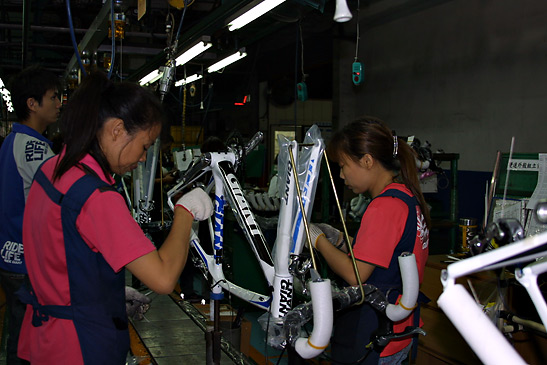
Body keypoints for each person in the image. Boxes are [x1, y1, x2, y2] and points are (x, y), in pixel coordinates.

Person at [17, 71, 213, 364]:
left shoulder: (53, 170)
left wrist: (103, 293)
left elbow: (57, 252)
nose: (144, 158)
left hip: (47, 337)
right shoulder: (97, 197)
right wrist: (186, 212)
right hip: (80, 345)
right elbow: (163, 278)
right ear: (117, 130)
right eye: (145, 146)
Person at [309, 116, 430, 365]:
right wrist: (341, 240)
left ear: (367, 160)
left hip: (377, 332)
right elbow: (385, 252)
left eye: (343, 165)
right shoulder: (405, 195)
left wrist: (318, 240)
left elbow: (357, 275)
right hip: (401, 329)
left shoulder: (384, 206)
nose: (341, 175)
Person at [0, 65, 62, 365]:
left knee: (17, 335)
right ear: (32, 104)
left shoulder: (11, 142)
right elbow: (63, 199)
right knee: (29, 344)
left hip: (10, 255)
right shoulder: (34, 150)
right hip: (26, 261)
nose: (59, 103)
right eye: (53, 97)